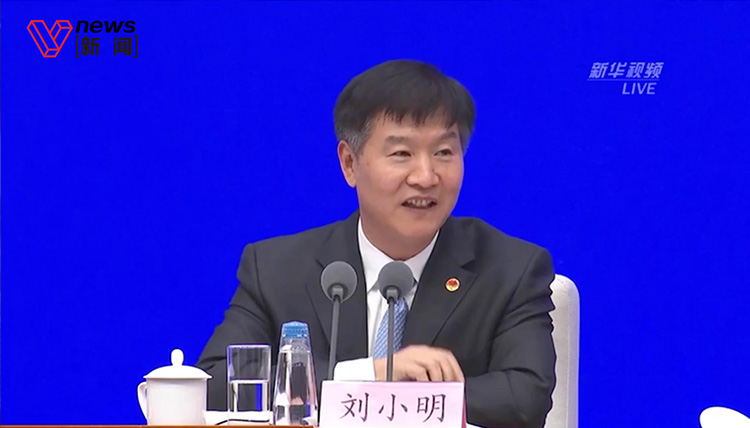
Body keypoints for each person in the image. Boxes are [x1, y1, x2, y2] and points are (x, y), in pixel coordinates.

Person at [197, 59, 556, 428]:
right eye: (402, 154)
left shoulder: (511, 269)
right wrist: (373, 374)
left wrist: (399, 396)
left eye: (444, 152)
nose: (426, 176)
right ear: (349, 163)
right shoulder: (276, 268)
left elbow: (525, 398)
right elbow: (217, 381)